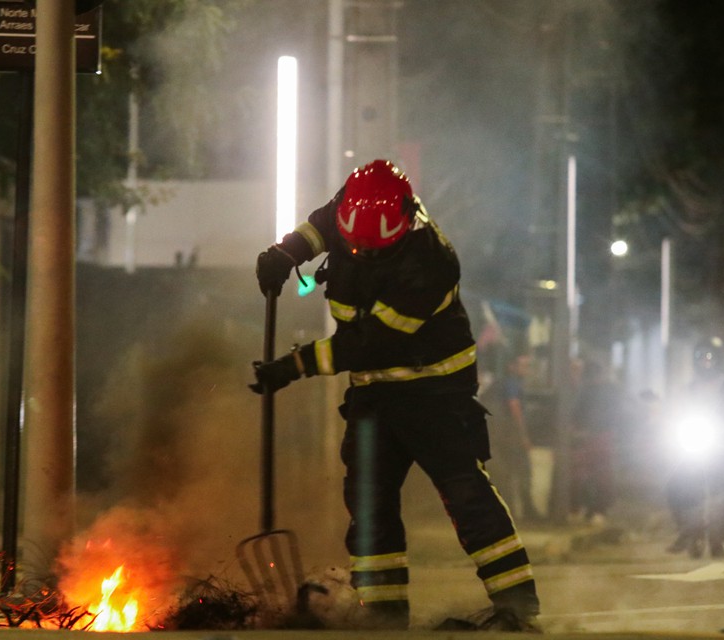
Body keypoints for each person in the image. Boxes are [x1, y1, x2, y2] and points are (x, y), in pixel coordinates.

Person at [250, 160, 540, 631]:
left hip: (436, 396)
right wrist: (285, 253)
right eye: (354, 245)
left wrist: (292, 366)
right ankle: (383, 621)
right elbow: (321, 226)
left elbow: (368, 344)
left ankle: (518, 610)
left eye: (372, 249)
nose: (360, 253)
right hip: (374, 398)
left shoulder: (431, 263)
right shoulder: (356, 203)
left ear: (403, 225)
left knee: (466, 497)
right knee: (368, 504)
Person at [664, 336, 724, 558]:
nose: (706, 362)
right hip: (694, 443)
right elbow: (673, 414)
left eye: (710, 357)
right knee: (675, 485)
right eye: (702, 357)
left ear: (719, 360)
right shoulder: (687, 389)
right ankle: (685, 528)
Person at [482, 354, 542, 522]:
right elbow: (514, 406)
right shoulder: (511, 383)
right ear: (512, 367)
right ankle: (527, 510)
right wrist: (523, 435)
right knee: (523, 470)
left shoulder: (498, 385)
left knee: (505, 474)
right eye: (523, 365)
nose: (526, 369)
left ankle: (509, 512)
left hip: (495, 436)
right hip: (507, 436)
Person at [568, 360, 627, 526]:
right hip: (599, 436)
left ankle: (586, 509)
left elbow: (577, 414)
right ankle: (595, 510)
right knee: (598, 475)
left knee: (588, 474)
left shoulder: (588, 391)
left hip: (593, 436)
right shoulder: (607, 391)